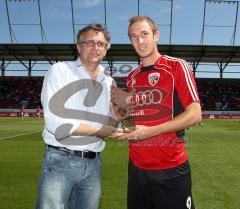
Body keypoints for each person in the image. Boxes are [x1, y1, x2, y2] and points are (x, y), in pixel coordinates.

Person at [111, 16, 202, 209]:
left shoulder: (177, 66)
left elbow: (195, 114)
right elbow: (136, 118)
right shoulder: (131, 77)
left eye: (144, 34)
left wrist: (150, 132)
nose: (139, 41)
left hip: (170, 168)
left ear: (156, 35)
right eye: (133, 36)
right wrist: (120, 114)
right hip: (136, 168)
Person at [36, 24, 123, 209]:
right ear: (78, 46)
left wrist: (118, 116)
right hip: (60, 160)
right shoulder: (60, 70)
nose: (95, 47)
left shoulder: (108, 82)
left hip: (93, 164)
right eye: (89, 42)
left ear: (106, 49)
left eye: (101, 43)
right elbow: (56, 123)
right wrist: (103, 130)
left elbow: (110, 122)